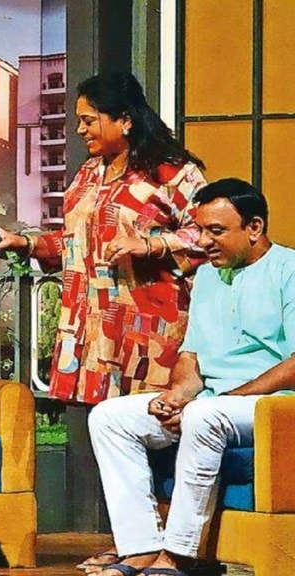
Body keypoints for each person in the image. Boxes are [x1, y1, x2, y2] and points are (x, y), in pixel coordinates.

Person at [0, 72, 209, 572]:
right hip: (93, 322)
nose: (81, 129)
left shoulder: (174, 173)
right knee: (108, 428)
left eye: (89, 120)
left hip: (151, 325)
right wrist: (25, 242)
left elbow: (209, 235)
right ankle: (132, 542)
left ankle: (169, 548)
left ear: (124, 120)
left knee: (157, 427)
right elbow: (74, 243)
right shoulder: (89, 172)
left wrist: (152, 244)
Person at [86, 178, 294, 576]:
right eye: (200, 230)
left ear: (254, 227)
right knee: (110, 417)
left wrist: (219, 401)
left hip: (275, 406)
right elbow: (192, 355)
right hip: (214, 403)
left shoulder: (290, 271)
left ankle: (179, 554)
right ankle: (141, 546)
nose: (203, 241)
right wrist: (178, 395)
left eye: (216, 231)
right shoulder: (209, 277)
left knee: (202, 415)